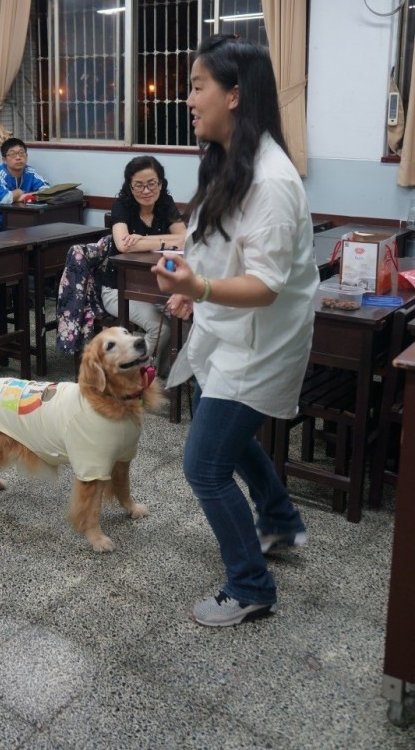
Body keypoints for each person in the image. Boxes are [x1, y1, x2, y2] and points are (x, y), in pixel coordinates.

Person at [152, 35, 320, 628]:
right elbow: (221, 251)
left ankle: (250, 586)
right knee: (222, 434)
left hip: (261, 341)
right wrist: (191, 291)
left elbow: (267, 283)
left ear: (235, 95)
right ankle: (278, 518)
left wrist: (198, 291)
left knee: (204, 464)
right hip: (229, 328)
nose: (189, 99)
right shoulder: (229, 161)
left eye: (198, 87)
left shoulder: (271, 180)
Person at [101, 156, 187, 374]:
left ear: (161, 183)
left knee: (187, 322)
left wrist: (143, 240)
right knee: (163, 329)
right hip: (119, 289)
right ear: (130, 186)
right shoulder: (122, 206)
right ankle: (141, 377)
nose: (146, 190)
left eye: (152, 183)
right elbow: (123, 244)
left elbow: (185, 238)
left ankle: (166, 371)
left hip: (157, 288)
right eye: (139, 185)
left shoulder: (165, 203)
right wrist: (166, 242)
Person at [0, 138, 49, 230]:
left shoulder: (29, 171)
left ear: (27, 156)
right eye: (13, 154)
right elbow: (4, 198)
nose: (18, 157)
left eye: (21, 153)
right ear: (4, 159)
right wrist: (18, 194)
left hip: (20, 224)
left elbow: (47, 190)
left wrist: (21, 195)